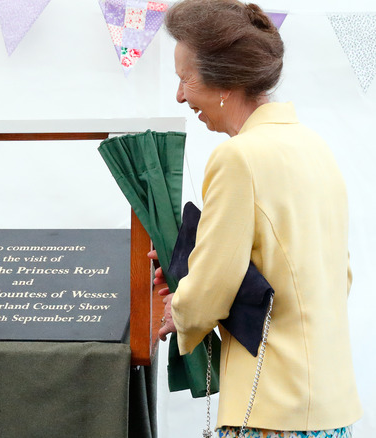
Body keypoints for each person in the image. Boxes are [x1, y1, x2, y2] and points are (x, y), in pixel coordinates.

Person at [150, 0, 362, 436]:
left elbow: (211, 288)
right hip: (330, 407)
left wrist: (180, 306)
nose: (180, 95)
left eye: (184, 77)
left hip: (271, 412)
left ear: (225, 78)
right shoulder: (315, 149)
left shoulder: (238, 157)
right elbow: (336, 278)